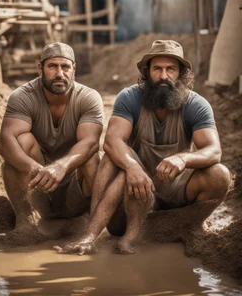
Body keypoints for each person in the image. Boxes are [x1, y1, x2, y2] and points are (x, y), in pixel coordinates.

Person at [55, 39, 230, 256]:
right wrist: (131, 166)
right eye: (157, 68)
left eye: (171, 69)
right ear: (147, 72)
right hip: (135, 191)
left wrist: (183, 159)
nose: (164, 76)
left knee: (220, 175)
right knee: (112, 159)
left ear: (182, 74)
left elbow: (214, 150)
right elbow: (112, 141)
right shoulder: (130, 97)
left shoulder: (196, 104)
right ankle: (95, 234)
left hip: (176, 187)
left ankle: (190, 224)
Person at [0, 42, 103, 243]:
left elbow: (91, 142)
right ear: (40, 69)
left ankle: (91, 223)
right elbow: (5, 142)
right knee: (21, 142)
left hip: (75, 188)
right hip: (39, 185)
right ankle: (25, 221)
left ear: (74, 69)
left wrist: (61, 167)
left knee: (91, 158)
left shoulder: (88, 97)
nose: (59, 73)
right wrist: (35, 169)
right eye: (52, 66)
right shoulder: (23, 96)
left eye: (65, 66)